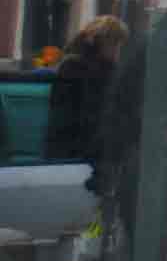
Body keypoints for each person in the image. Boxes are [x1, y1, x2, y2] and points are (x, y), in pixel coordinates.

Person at [46, 13, 127, 173]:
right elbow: (76, 115)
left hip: (89, 152)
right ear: (104, 42)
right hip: (73, 153)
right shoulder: (76, 67)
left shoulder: (108, 70)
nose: (118, 50)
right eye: (116, 43)